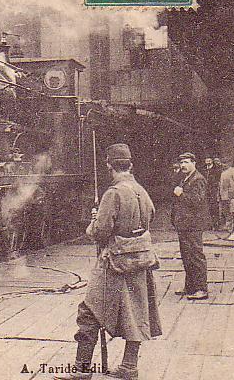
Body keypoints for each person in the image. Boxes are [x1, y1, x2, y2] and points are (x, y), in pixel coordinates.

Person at [55, 144, 162, 380]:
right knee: (137, 310)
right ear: (130, 165)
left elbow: (101, 231)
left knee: (89, 312)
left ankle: (82, 371)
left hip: (113, 263)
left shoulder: (113, 193)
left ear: (108, 166)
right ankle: (128, 366)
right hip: (140, 260)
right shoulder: (140, 190)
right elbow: (151, 215)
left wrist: (92, 224)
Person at [172, 152, 210, 300]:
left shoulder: (198, 179)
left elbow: (198, 201)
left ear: (194, 163)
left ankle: (201, 289)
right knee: (187, 256)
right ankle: (190, 286)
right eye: (181, 163)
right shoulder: (185, 178)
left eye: (186, 162)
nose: (183, 165)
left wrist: (181, 194)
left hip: (193, 224)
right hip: (185, 224)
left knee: (196, 256)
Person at [218, 158, 234, 230]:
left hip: (231, 195)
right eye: (223, 163)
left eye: (225, 163)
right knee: (225, 211)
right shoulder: (222, 172)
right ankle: (228, 226)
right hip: (223, 195)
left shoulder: (233, 171)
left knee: (232, 210)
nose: (224, 165)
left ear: (229, 163)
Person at [204, 157, 222, 230]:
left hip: (213, 192)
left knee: (214, 208)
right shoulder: (204, 170)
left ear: (212, 161)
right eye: (206, 160)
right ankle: (209, 225)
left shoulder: (215, 170)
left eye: (209, 160)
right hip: (206, 192)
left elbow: (217, 181)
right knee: (207, 208)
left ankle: (216, 224)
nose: (208, 161)